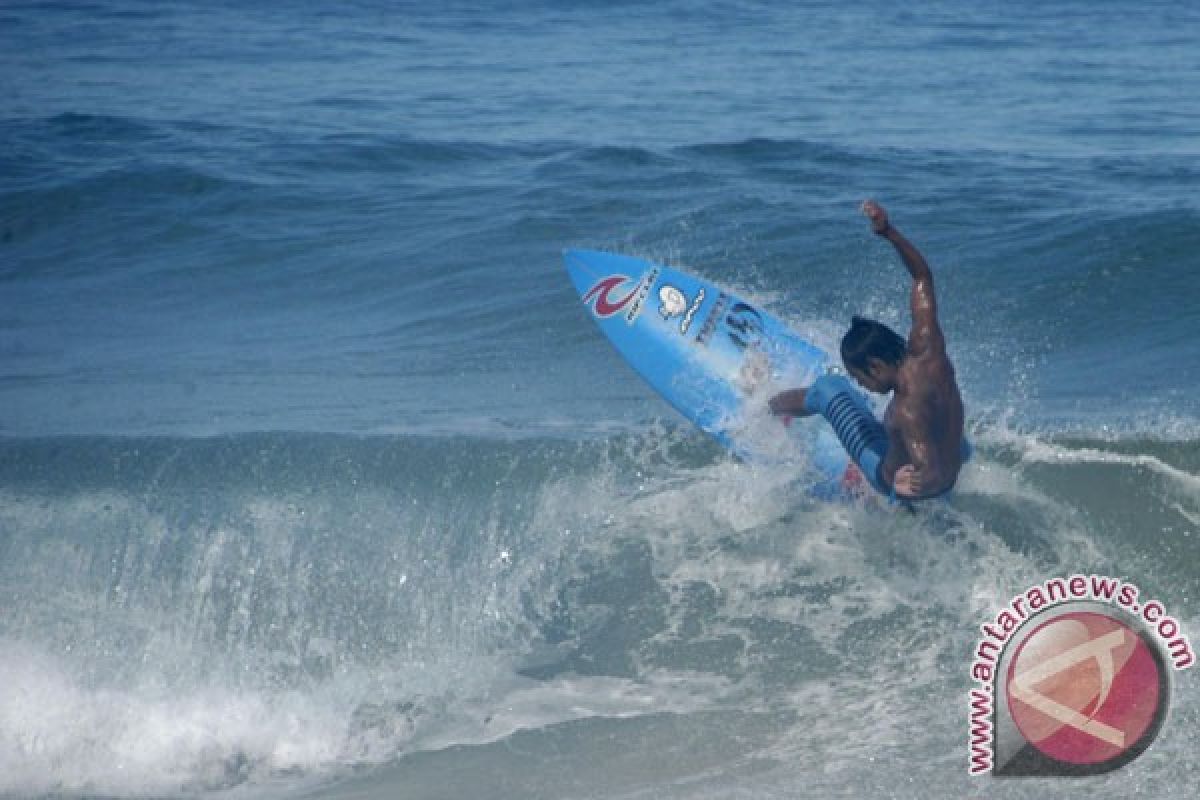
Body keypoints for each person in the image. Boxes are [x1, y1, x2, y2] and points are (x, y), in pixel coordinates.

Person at [768, 200, 964, 499]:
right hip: (954, 454)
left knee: (829, 390)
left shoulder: (906, 412)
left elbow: (932, 472)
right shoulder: (928, 347)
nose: (864, 385)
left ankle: (766, 407)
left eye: (860, 378)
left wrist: (908, 486)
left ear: (875, 366)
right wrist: (888, 232)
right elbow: (922, 277)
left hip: (895, 481)